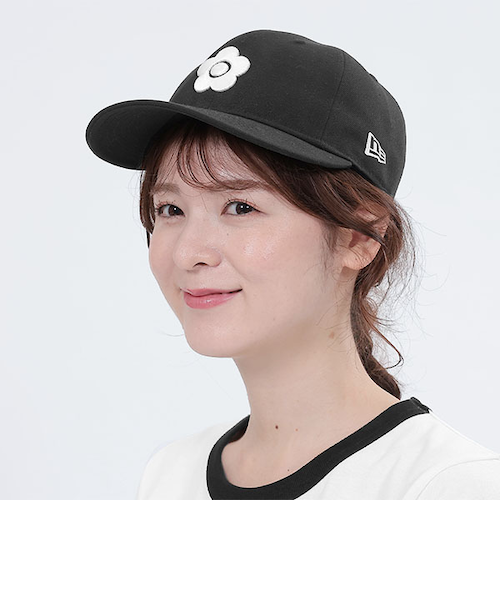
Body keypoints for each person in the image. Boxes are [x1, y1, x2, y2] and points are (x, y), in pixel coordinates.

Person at [86, 29, 500, 500]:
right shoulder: (171, 475)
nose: (187, 253)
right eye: (170, 209)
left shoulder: (446, 485)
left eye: (240, 207)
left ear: (360, 236)